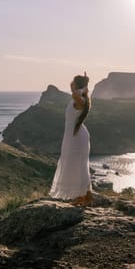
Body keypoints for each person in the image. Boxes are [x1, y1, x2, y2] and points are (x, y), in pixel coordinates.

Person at [49, 73, 92, 206]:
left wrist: (83, 88)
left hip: (77, 137)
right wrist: (84, 88)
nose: (70, 83)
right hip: (73, 136)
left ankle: (86, 196)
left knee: (77, 165)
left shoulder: (80, 99)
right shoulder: (79, 99)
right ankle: (82, 195)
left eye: (72, 82)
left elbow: (75, 94)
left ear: (77, 85)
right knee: (76, 165)